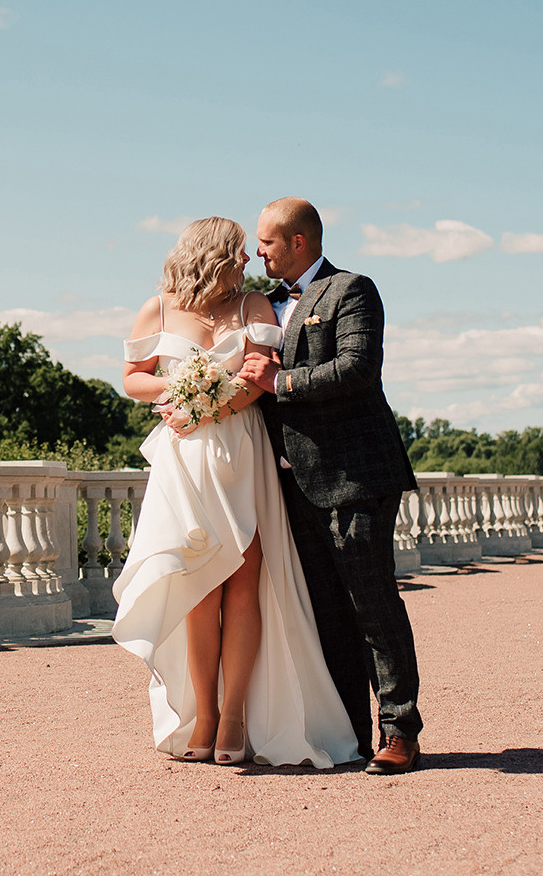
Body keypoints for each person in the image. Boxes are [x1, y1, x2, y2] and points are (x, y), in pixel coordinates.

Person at [111, 217, 361, 769]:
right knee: (200, 586)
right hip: (184, 459)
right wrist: (180, 388)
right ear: (214, 252)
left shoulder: (253, 305)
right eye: (240, 251)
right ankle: (204, 713)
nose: (249, 260)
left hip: (241, 451)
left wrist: (205, 406)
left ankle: (235, 716)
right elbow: (132, 377)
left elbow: (258, 377)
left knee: (244, 584)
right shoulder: (158, 308)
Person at [241, 196, 425, 775]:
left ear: (298, 242)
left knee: (373, 605)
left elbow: (357, 368)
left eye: (267, 241)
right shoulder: (261, 304)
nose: (258, 251)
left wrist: (280, 381)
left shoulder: (352, 290)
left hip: (354, 476)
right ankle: (349, 737)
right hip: (290, 485)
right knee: (326, 613)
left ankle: (400, 732)